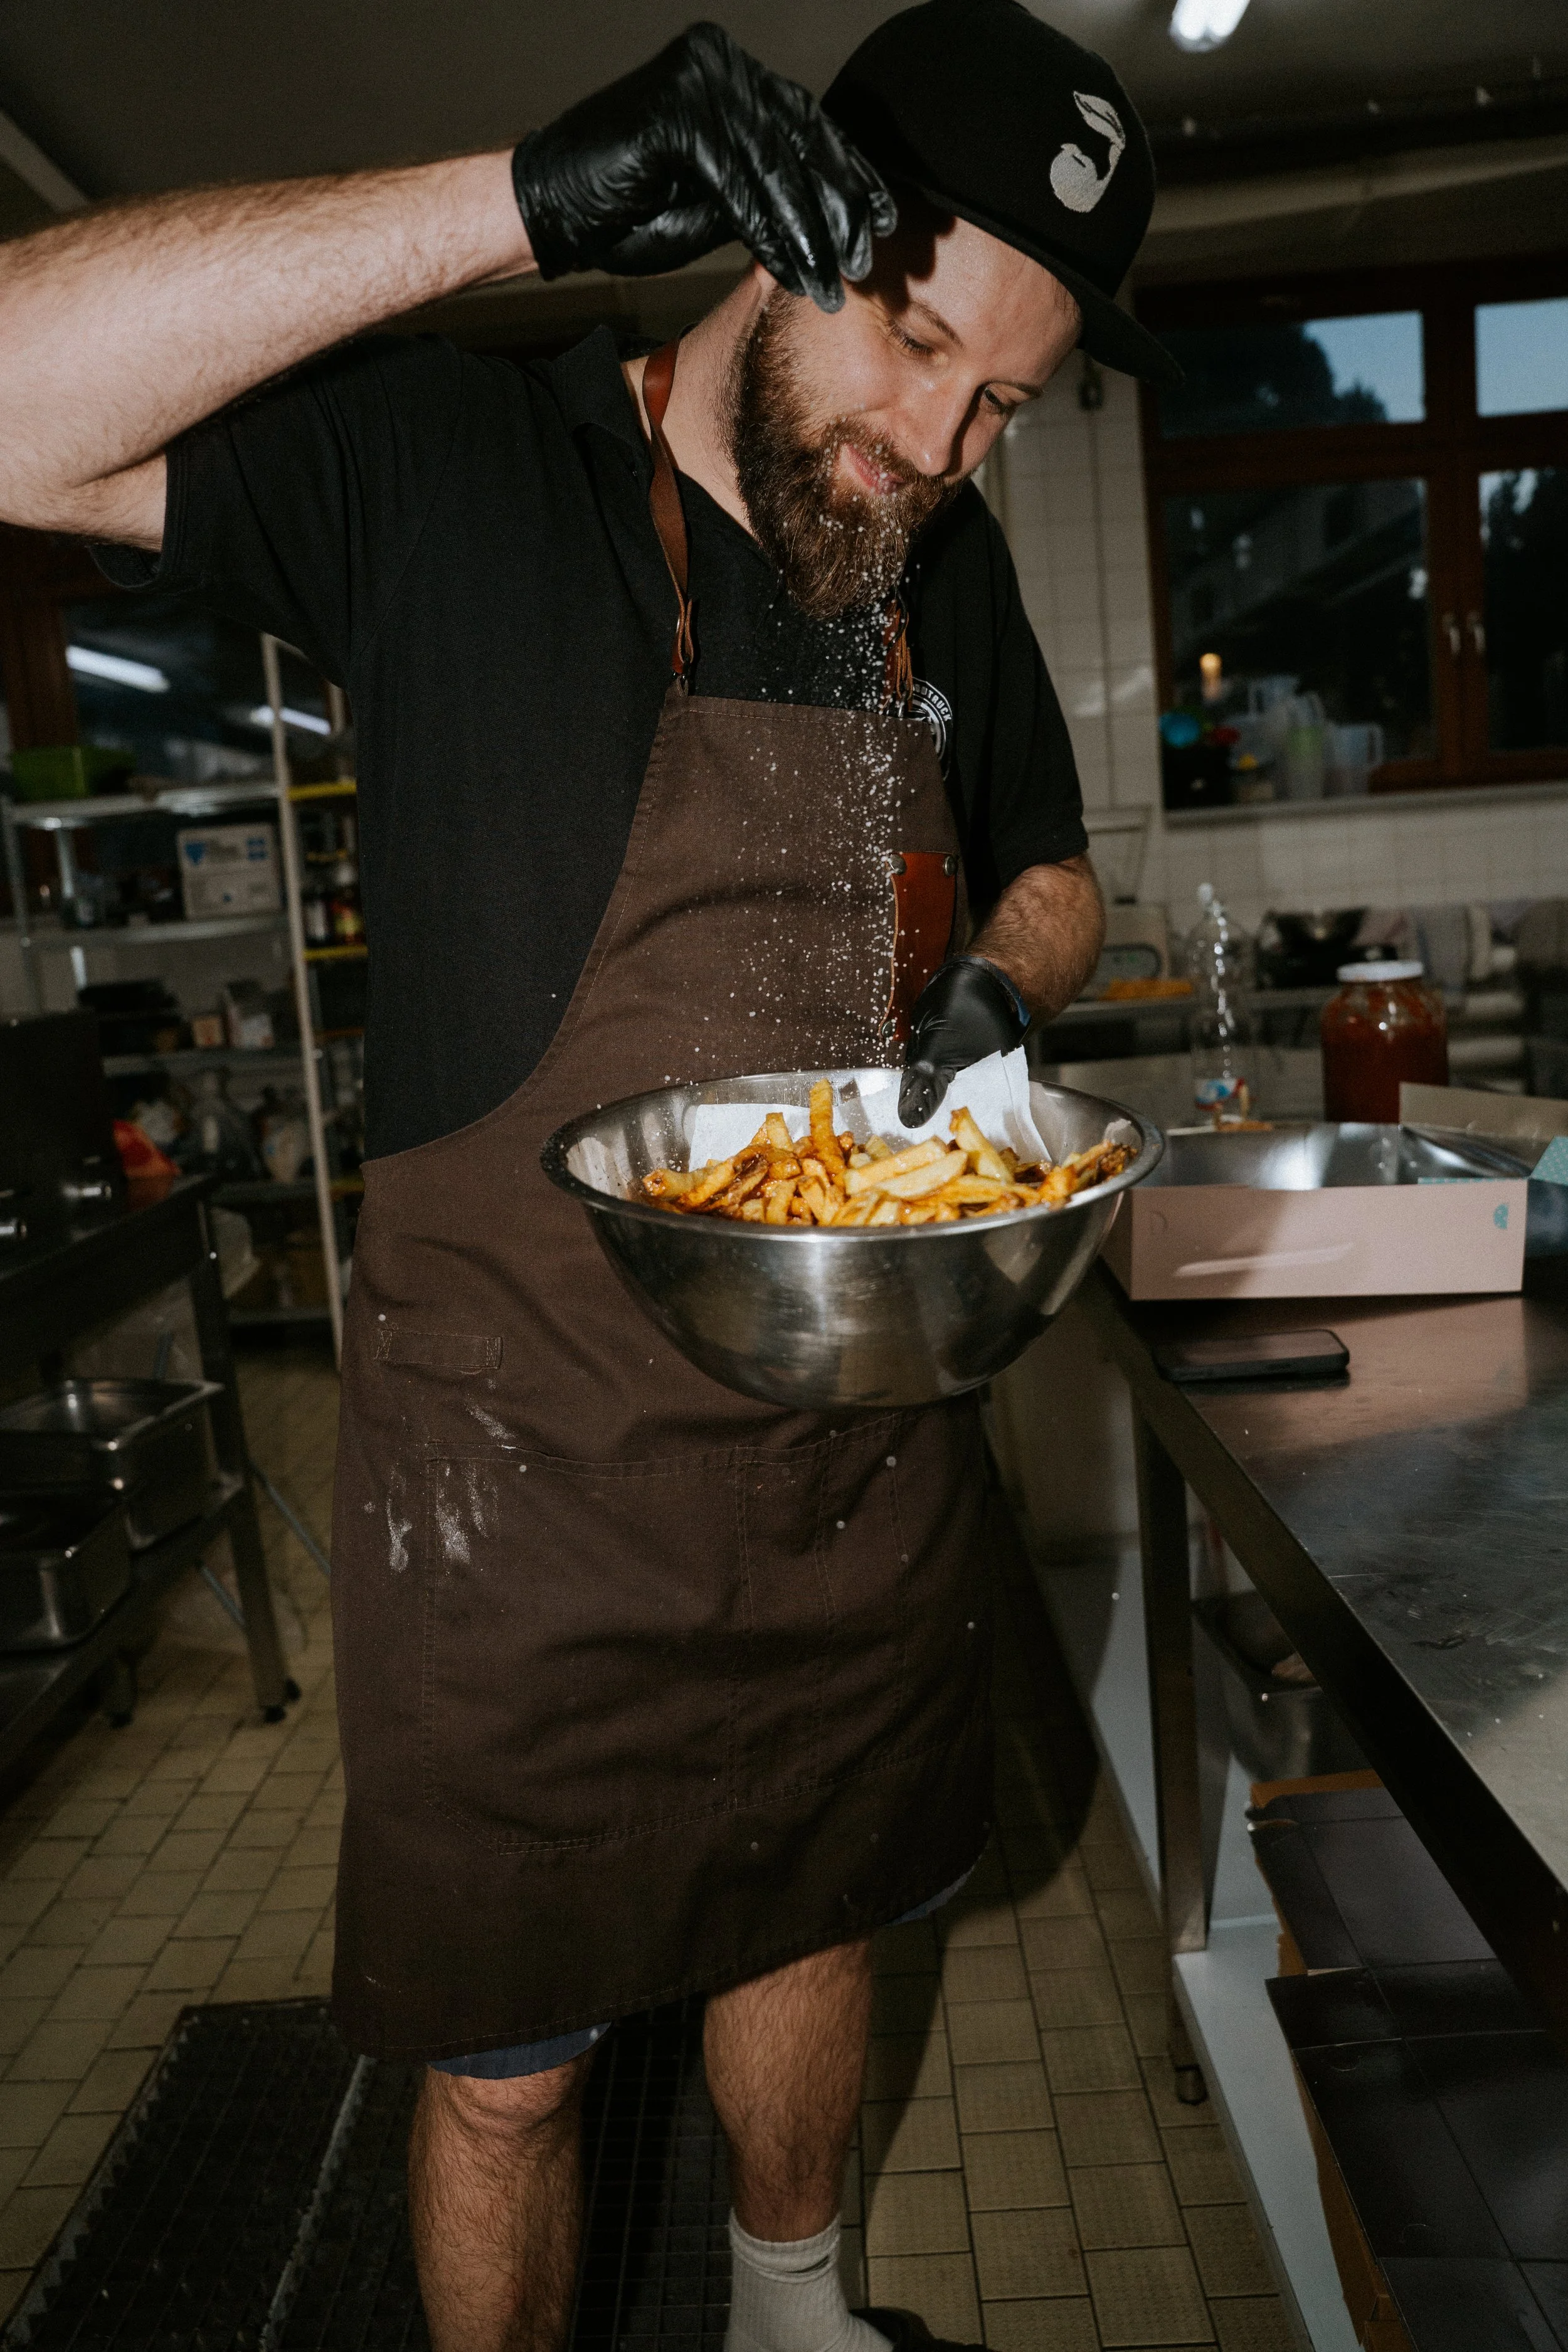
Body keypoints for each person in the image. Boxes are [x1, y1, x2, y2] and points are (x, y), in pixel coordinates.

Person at [0, 5, 1177, 2346]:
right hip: (514, 1490)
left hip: (850, 1459)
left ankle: (789, 2307)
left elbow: (1052, 866)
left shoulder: (927, 562)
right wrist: (514, 199)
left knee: (819, 1916)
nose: (937, 444)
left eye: (1001, 405)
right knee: (513, 2088)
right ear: (774, 227)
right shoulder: (446, 473)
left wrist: (1001, 994)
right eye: (918, 340)